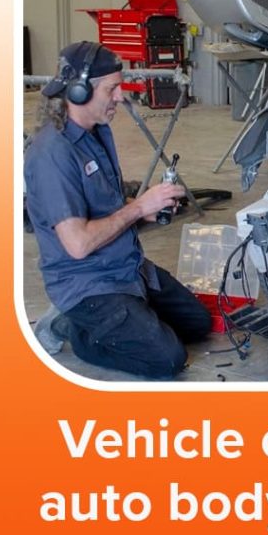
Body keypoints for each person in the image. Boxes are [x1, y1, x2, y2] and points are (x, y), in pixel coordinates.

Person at [26, 41, 211, 378]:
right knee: (167, 359)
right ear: (80, 92)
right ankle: (75, 329)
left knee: (198, 323)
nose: (120, 96)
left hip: (125, 267)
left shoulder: (96, 133)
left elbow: (102, 207)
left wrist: (142, 211)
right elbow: (78, 244)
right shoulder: (53, 155)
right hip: (88, 283)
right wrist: (139, 206)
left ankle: (127, 318)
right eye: (112, 88)